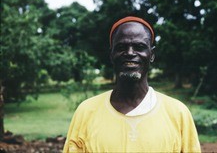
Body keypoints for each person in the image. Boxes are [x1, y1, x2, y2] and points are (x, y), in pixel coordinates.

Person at [63, 16, 201, 152]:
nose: (130, 53)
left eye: (139, 47)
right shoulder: (86, 112)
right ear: (111, 55)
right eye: (121, 47)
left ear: (152, 54)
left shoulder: (178, 114)